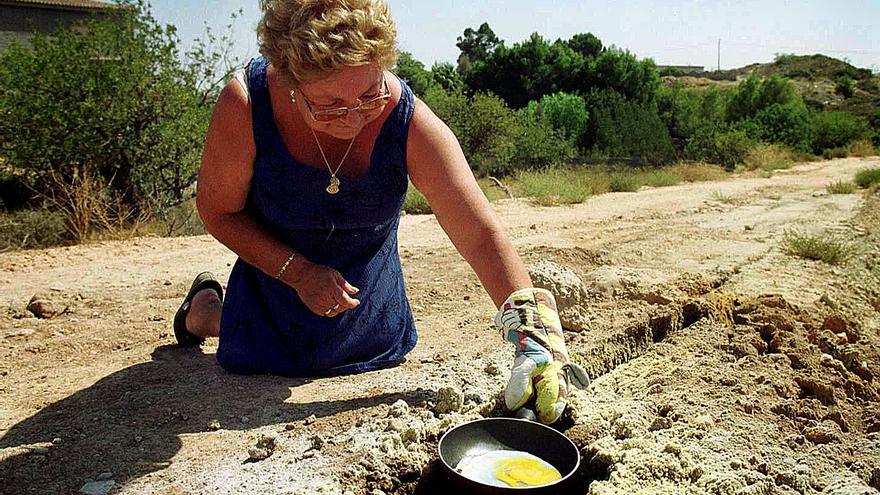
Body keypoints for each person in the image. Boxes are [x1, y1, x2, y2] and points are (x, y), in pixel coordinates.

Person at [173, 0, 587, 425]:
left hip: (367, 304)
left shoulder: (406, 117)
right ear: (290, 80)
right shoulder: (246, 104)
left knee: (341, 350)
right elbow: (217, 211)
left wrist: (535, 339)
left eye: (370, 95)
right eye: (330, 104)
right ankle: (203, 311)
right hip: (273, 275)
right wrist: (298, 273)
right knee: (248, 339)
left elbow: (480, 235)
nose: (353, 118)